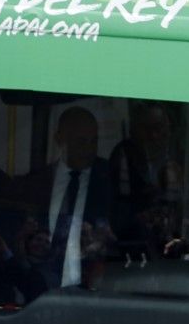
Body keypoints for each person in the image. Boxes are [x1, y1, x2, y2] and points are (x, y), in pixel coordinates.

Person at [8, 108, 119, 290]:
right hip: (37, 288)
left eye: (94, 142)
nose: (88, 150)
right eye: (81, 142)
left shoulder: (110, 182)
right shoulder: (34, 184)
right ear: (59, 139)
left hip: (96, 288)